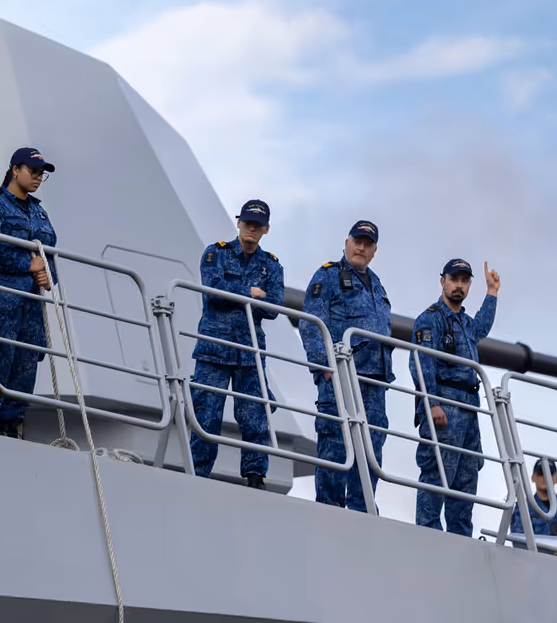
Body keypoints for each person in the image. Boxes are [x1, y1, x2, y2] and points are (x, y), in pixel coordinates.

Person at [188, 200, 285, 489]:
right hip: (214, 349)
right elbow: (213, 289)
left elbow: (274, 307)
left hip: (249, 352)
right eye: (247, 222)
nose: (251, 228)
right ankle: (197, 475)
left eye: (257, 225)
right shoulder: (215, 253)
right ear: (238, 222)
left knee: (255, 417)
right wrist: (249, 293)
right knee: (207, 415)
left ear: (266, 229)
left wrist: (250, 298)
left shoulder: (272, 265)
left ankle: (256, 478)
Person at [301, 220, 393, 511]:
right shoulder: (328, 275)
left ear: (374, 250)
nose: (361, 247)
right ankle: (329, 510)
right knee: (335, 446)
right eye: (357, 241)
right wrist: (323, 368)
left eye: (367, 244)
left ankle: (363, 510)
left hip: (374, 383)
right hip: (341, 377)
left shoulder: (377, 285)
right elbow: (311, 323)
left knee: (372, 448)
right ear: (346, 242)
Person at [0, 148, 57, 438]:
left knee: (26, 363)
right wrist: (28, 264)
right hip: (1, 300)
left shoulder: (40, 212)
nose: (38, 178)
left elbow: (49, 252)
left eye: (41, 174)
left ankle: (11, 425)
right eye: (33, 172)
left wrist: (47, 275)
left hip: (31, 304)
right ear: (15, 170)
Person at [411, 259, 500, 536]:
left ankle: (461, 542)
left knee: (465, 483)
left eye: (464, 281)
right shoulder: (431, 318)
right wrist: (432, 403)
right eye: (454, 279)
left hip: (469, 410)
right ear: (443, 281)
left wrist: (492, 293)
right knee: (437, 476)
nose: (459, 285)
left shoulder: (465, 323)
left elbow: (481, 328)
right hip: (445, 408)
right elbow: (421, 363)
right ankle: (427, 538)